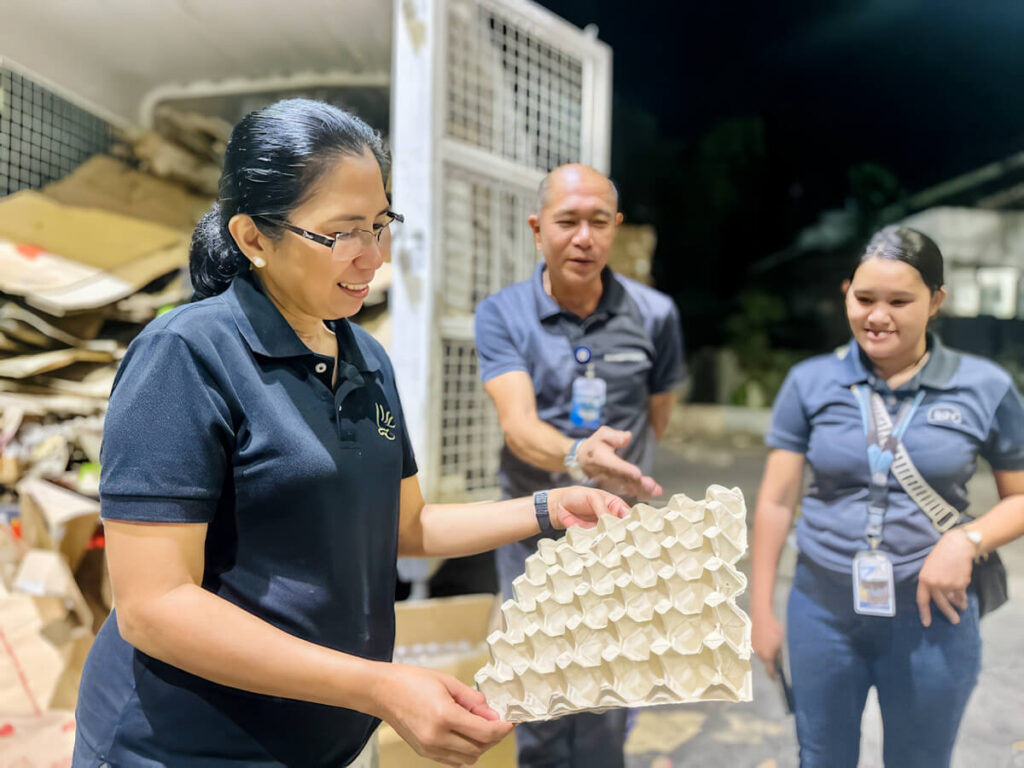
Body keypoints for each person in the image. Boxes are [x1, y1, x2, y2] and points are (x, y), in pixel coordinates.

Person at [72, 99, 632, 768]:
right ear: (254, 238)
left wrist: (547, 508)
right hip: (184, 746)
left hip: (318, 743)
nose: (374, 256)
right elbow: (153, 607)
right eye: (343, 233)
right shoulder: (187, 356)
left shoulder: (363, 355)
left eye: (381, 223)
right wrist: (380, 686)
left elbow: (406, 525)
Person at [751, 225, 1024, 768]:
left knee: (920, 760)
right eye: (865, 298)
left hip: (933, 616)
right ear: (847, 292)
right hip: (822, 606)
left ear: (936, 301)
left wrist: (967, 541)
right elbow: (776, 502)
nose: (878, 316)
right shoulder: (810, 382)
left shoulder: (985, 387)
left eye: (900, 301)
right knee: (821, 757)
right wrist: (760, 610)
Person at [474, 163, 686, 768]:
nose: (584, 238)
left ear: (616, 227)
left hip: (618, 537)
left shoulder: (656, 315)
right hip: (532, 531)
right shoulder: (503, 314)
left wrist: (619, 475)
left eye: (599, 222)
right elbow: (517, 426)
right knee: (535, 693)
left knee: (605, 699)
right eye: (567, 222)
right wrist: (576, 458)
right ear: (538, 228)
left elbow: (657, 414)